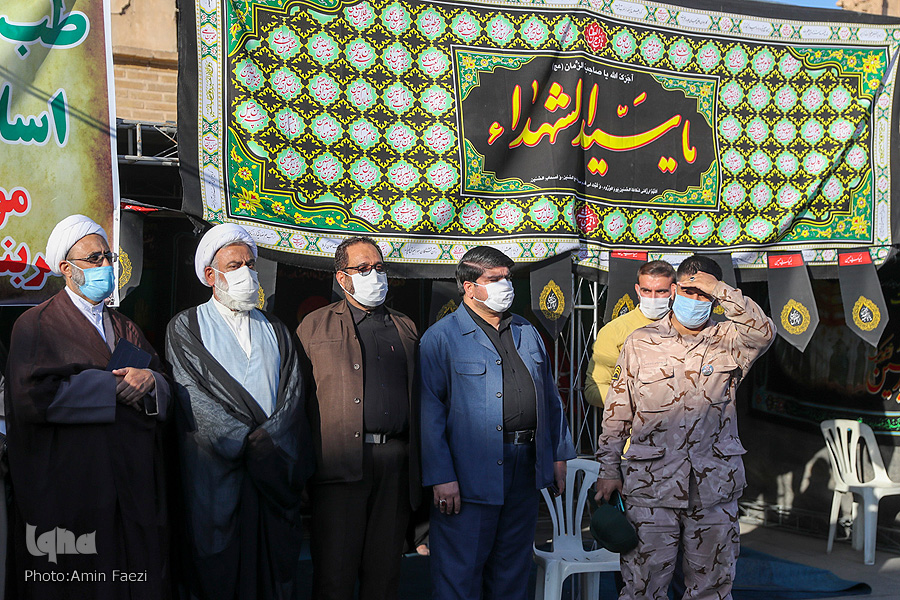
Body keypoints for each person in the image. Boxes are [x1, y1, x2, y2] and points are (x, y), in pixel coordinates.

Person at [5, 214, 171, 599]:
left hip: (129, 482)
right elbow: (31, 397)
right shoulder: (37, 324)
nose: (106, 266)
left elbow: (162, 379)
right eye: (94, 259)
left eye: (108, 257)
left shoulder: (125, 326)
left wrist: (150, 382)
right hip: (73, 485)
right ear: (66, 268)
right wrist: (110, 387)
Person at [595, 255, 775, 599]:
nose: (695, 299)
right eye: (689, 291)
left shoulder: (731, 340)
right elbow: (618, 411)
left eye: (704, 294)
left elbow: (764, 331)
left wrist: (720, 289)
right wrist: (608, 469)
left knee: (711, 590)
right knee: (642, 588)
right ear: (675, 289)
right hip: (651, 486)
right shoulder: (640, 342)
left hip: (713, 489)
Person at [166, 223, 314, 600]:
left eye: (250, 264)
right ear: (210, 275)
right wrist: (246, 442)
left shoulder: (276, 328)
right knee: (218, 574)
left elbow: (292, 396)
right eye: (234, 266)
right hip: (215, 472)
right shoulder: (186, 326)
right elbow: (192, 397)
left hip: (272, 469)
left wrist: (268, 444)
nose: (245, 272)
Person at [419, 246, 575, 600]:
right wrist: (441, 476)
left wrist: (558, 454)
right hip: (469, 474)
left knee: (512, 571)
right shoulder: (441, 337)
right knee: (460, 574)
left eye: (508, 277)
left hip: (524, 467)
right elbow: (430, 412)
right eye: (495, 279)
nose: (506, 286)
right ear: (469, 287)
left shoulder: (526, 331)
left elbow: (550, 398)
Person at [297, 236, 419, 600]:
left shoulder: (405, 326)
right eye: (363, 268)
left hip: (395, 465)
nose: (374, 275)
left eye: (379, 267)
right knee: (334, 575)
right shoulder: (314, 326)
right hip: (338, 468)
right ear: (342, 277)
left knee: (384, 575)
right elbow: (297, 401)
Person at [584, 260, 676, 407]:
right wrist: (636, 400)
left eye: (660, 291)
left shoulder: (687, 328)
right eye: (646, 291)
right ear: (637, 290)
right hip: (635, 419)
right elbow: (594, 388)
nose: (653, 298)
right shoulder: (615, 330)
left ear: (673, 290)